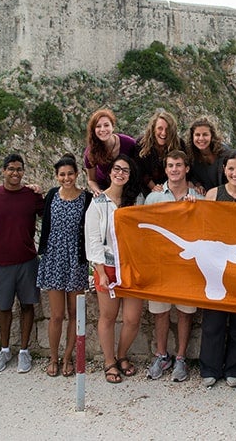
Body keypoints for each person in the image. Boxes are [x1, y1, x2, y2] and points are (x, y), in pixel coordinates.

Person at [199, 150, 236, 388]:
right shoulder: (214, 194)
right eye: (230, 168)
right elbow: (202, 225)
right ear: (224, 170)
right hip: (215, 265)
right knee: (213, 319)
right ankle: (210, 367)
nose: (235, 173)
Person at [85, 154, 145, 383]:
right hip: (107, 267)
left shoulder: (136, 200)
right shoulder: (98, 202)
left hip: (132, 267)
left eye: (125, 171)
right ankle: (109, 361)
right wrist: (100, 272)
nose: (120, 173)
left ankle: (122, 355)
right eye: (117, 169)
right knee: (108, 317)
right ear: (110, 173)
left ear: (130, 176)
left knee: (132, 319)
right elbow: (93, 240)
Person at [0, 154, 45, 374]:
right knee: (3, 307)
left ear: (24, 171)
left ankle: (24, 351)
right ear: (3, 171)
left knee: (28, 305)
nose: (15, 173)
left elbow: (47, 215)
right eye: (11, 169)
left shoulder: (32, 196)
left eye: (19, 169)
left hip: (27, 260)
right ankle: (4, 349)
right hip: (1, 262)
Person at [143, 150, 201, 382]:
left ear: (187, 168)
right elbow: (145, 230)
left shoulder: (199, 198)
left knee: (185, 313)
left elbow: (206, 231)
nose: (175, 169)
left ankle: (180, 358)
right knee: (160, 312)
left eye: (179, 165)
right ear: (165, 170)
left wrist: (196, 209)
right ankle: (161, 354)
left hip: (188, 266)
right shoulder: (153, 198)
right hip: (161, 266)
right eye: (170, 166)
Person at [37, 153, 93, 377]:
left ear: (77, 174)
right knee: (57, 315)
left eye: (70, 173)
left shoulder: (86, 198)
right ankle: (53, 357)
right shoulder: (51, 195)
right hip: (53, 258)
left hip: (76, 261)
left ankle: (68, 357)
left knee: (74, 313)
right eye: (62, 174)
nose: (66, 178)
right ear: (56, 176)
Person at [83, 108, 137, 196]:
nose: (103, 129)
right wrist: (98, 191)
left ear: (113, 127)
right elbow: (91, 180)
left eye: (106, 125)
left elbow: (138, 167)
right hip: (104, 188)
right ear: (94, 130)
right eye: (98, 126)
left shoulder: (129, 143)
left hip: (127, 186)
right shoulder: (90, 152)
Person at [136, 109, 186, 196]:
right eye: (160, 128)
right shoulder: (141, 144)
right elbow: (138, 170)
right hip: (146, 190)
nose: (164, 133)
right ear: (153, 129)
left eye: (168, 129)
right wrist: (153, 187)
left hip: (173, 189)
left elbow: (185, 167)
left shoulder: (179, 144)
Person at [188, 116, 231, 195]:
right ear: (192, 137)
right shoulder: (191, 156)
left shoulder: (225, 153)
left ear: (212, 136)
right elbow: (191, 175)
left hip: (227, 197)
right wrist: (197, 184)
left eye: (205, 135)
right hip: (206, 198)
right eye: (197, 135)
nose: (201, 138)